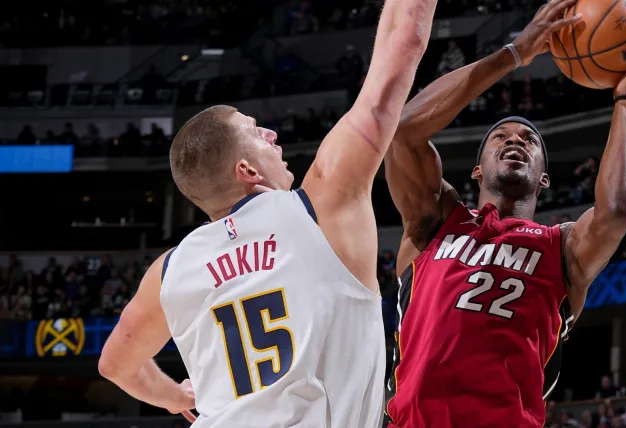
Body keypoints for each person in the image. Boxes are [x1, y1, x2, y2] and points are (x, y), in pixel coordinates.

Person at [97, 0, 439, 426]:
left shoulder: (170, 271)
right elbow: (403, 41)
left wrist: (174, 396)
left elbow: (115, 364)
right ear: (247, 170)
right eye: (257, 131)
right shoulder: (321, 205)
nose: (273, 133)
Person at [382, 0, 626, 423]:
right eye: (500, 137)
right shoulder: (436, 221)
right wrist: (515, 53)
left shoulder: (562, 248)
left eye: (530, 140)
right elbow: (403, 131)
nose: (516, 141)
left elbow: (616, 212)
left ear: (544, 178)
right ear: (477, 171)